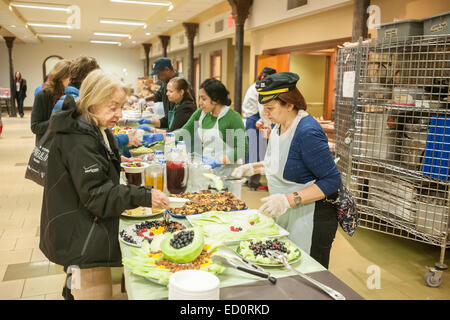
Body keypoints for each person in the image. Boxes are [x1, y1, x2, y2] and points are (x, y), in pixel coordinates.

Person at [39, 69, 170, 300]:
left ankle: (71, 287)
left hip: (81, 228)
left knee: (76, 282)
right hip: (81, 235)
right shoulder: (79, 137)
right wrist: (144, 195)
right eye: (113, 106)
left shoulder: (93, 127)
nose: (119, 113)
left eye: (121, 106)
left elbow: (89, 173)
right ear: (92, 103)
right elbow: (98, 195)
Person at [232, 72, 341, 269]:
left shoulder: (307, 131)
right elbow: (283, 163)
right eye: (264, 108)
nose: (266, 114)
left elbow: (332, 181)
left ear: (289, 104)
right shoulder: (279, 126)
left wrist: (287, 200)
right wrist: (252, 167)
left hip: (312, 217)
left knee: (308, 273)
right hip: (290, 213)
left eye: (270, 108)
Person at [174, 78, 248, 168]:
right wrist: (163, 137)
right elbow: (185, 132)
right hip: (208, 168)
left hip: (228, 172)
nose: (200, 103)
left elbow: (243, 148)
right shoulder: (201, 113)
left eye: (204, 99)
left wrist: (219, 161)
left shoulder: (233, 118)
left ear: (215, 99)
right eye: (199, 98)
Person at [135, 57, 194, 130]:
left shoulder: (181, 84)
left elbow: (175, 131)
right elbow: (158, 95)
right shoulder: (166, 82)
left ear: (167, 69)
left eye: (158, 74)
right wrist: (144, 99)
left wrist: (152, 130)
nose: (158, 78)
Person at [242, 67, 276, 189]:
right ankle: (253, 182)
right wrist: (268, 126)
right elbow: (263, 110)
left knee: (251, 152)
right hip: (254, 121)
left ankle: (248, 180)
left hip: (250, 120)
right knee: (256, 153)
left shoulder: (256, 85)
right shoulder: (262, 87)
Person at [30, 59, 71, 144]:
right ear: (61, 77)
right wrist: (57, 121)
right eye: (71, 77)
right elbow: (35, 127)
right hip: (48, 146)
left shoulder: (71, 94)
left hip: (67, 146)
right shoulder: (42, 95)